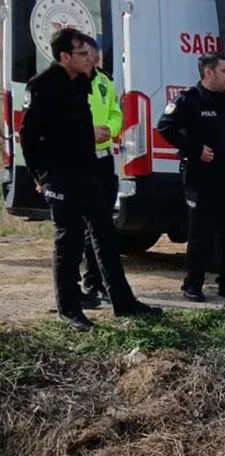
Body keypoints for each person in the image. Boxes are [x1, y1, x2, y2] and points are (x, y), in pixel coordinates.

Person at [20, 28, 160, 332]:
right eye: (83, 54)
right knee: (68, 241)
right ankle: (69, 309)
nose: (91, 58)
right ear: (64, 57)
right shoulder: (42, 86)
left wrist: (90, 138)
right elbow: (31, 137)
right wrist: (40, 178)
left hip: (88, 172)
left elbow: (79, 126)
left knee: (106, 236)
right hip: (58, 175)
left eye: (90, 52)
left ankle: (123, 302)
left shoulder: (84, 81)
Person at [156, 51, 225, 302]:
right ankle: (192, 285)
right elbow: (165, 127)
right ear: (208, 73)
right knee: (201, 233)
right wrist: (195, 149)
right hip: (202, 179)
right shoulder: (190, 100)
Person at [79, 37, 122, 306]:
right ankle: (90, 283)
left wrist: (110, 128)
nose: (93, 58)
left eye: (95, 54)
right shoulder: (69, 84)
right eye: (88, 53)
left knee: (104, 225)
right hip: (81, 159)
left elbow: (117, 112)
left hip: (104, 158)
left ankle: (103, 283)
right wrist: (88, 133)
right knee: (84, 226)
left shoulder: (105, 81)